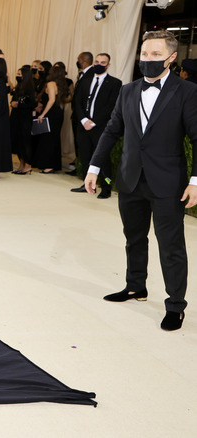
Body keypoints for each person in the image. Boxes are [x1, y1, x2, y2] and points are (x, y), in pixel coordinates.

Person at [86, 30, 197, 331]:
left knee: (171, 246)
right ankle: (136, 286)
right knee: (134, 237)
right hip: (130, 178)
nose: (147, 60)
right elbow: (111, 131)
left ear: (171, 58)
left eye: (155, 55)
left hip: (168, 183)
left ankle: (175, 305)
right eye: (144, 54)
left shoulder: (187, 91)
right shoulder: (128, 90)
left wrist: (195, 181)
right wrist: (94, 167)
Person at [71, 53, 121, 198]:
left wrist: (94, 122)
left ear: (108, 65)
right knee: (85, 156)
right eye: (97, 61)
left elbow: (111, 106)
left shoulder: (114, 83)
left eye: (103, 62)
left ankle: (106, 186)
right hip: (83, 126)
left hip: (100, 128)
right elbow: (77, 102)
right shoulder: (84, 80)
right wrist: (83, 120)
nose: (99, 64)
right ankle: (87, 184)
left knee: (103, 159)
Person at [32, 64, 70, 174]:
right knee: (54, 138)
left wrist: (42, 114)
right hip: (58, 113)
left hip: (51, 113)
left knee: (47, 139)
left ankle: (48, 165)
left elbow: (51, 100)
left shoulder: (50, 84)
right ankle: (52, 164)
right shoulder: (62, 85)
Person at [10, 66, 36, 175]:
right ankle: (21, 164)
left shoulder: (29, 88)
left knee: (25, 142)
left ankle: (28, 165)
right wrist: (12, 103)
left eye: (20, 74)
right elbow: (13, 99)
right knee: (18, 142)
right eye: (17, 74)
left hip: (25, 118)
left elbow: (32, 104)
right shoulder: (18, 87)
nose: (18, 76)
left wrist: (19, 105)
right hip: (16, 117)